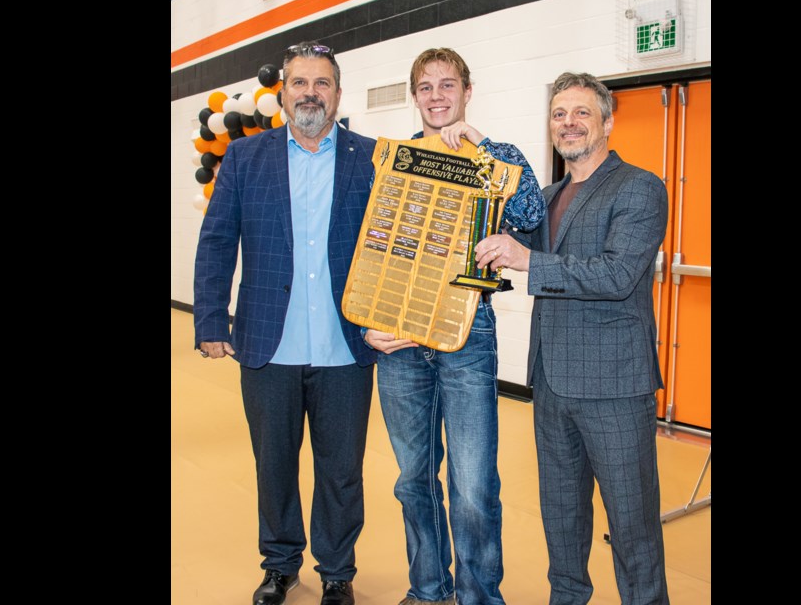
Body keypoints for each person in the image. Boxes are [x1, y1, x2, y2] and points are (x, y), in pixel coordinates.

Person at [474, 72, 671, 605]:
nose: (569, 123)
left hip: (614, 386)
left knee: (632, 526)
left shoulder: (639, 187)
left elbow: (616, 275)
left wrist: (528, 260)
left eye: (582, 112)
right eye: (560, 114)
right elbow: (503, 230)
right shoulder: (546, 195)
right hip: (553, 383)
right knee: (561, 517)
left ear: (607, 122)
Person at [193, 41, 376, 605]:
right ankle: (279, 564)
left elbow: (397, 245)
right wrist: (209, 319)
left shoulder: (371, 157)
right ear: (282, 92)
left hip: (346, 344)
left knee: (341, 471)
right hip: (267, 343)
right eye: (300, 83)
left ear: (338, 94)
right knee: (274, 464)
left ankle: (338, 572)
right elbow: (218, 240)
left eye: (322, 84)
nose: (310, 94)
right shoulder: (247, 159)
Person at [364, 48, 546, 605]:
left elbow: (531, 218)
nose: (437, 96)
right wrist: (368, 325)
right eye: (425, 87)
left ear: (467, 91)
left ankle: (478, 597)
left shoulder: (497, 156)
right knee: (412, 480)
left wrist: (482, 148)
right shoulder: (392, 161)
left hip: (469, 335)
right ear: (414, 96)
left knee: (472, 487)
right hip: (398, 340)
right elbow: (368, 247)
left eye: (448, 85)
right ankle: (427, 589)